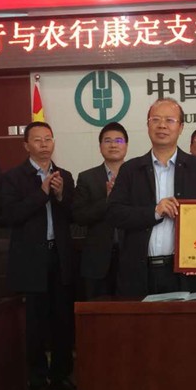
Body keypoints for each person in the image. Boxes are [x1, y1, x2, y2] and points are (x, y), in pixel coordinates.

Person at [0, 121, 76, 390]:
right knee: (35, 325)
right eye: (38, 140)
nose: (44, 144)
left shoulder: (64, 175)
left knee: (62, 321)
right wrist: (42, 193)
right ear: (26, 145)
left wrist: (60, 195)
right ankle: (37, 383)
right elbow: (9, 216)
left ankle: (60, 377)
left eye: (48, 139)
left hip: (60, 257)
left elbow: (74, 214)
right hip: (31, 261)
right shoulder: (13, 178)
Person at [108, 99, 196, 297]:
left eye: (170, 120)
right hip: (139, 273)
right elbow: (114, 213)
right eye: (155, 119)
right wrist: (155, 211)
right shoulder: (131, 169)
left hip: (187, 273)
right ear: (148, 125)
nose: (162, 125)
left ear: (181, 127)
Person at [72, 122, 129, 300]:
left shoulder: (137, 175)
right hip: (97, 260)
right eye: (108, 141)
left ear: (126, 146)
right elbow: (79, 216)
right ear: (100, 146)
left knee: (131, 309)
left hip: (131, 257)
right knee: (97, 310)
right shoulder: (87, 178)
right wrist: (107, 200)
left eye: (119, 141)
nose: (113, 145)